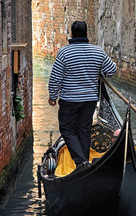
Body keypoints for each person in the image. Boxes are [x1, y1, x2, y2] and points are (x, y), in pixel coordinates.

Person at [48, 21, 117, 169]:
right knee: (84, 130)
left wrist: (52, 96)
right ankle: (85, 165)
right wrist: (99, 71)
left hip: (69, 100)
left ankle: (81, 163)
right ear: (86, 34)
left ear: (71, 34)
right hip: (90, 100)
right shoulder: (98, 51)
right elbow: (112, 70)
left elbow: (55, 77)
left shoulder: (64, 52)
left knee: (67, 130)